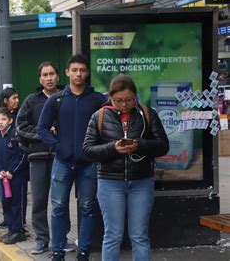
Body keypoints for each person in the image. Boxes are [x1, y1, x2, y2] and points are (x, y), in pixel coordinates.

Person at [83, 74, 169, 261]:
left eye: (129, 100)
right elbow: (88, 149)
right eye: (118, 100)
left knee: (139, 235)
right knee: (113, 235)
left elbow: (163, 145)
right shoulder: (99, 116)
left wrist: (140, 144)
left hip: (141, 181)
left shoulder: (147, 114)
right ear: (110, 97)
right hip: (109, 181)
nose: (124, 104)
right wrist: (112, 147)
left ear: (135, 97)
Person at [38, 54, 107, 261]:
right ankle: (57, 251)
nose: (79, 74)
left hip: (89, 164)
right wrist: (58, 147)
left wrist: (97, 148)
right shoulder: (56, 100)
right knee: (58, 206)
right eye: (74, 70)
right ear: (67, 72)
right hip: (62, 162)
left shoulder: (97, 100)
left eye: (83, 70)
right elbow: (41, 129)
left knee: (88, 207)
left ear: (87, 72)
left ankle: (84, 251)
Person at [16, 61, 73, 254]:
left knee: (61, 200)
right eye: (45, 75)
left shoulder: (66, 97)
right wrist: (44, 134)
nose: (49, 78)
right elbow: (21, 127)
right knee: (39, 200)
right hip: (38, 156)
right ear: (40, 79)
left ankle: (62, 238)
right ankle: (41, 239)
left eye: (52, 74)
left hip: (62, 157)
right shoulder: (32, 100)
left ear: (58, 76)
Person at [0, 107, 29, 245]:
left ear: (10, 120)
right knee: (6, 202)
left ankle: (19, 230)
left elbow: (22, 155)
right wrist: (0, 170)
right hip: (4, 177)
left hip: (16, 177)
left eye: (3, 119)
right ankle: (11, 229)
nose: (0, 123)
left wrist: (12, 171)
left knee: (17, 203)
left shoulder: (15, 135)